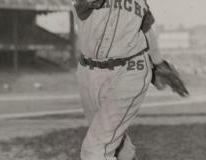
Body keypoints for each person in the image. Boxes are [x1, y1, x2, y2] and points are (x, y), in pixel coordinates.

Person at [71, 0, 188, 160]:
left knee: (95, 149)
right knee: (111, 139)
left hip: (131, 70)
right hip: (89, 72)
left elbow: (146, 29)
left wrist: (158, 62)